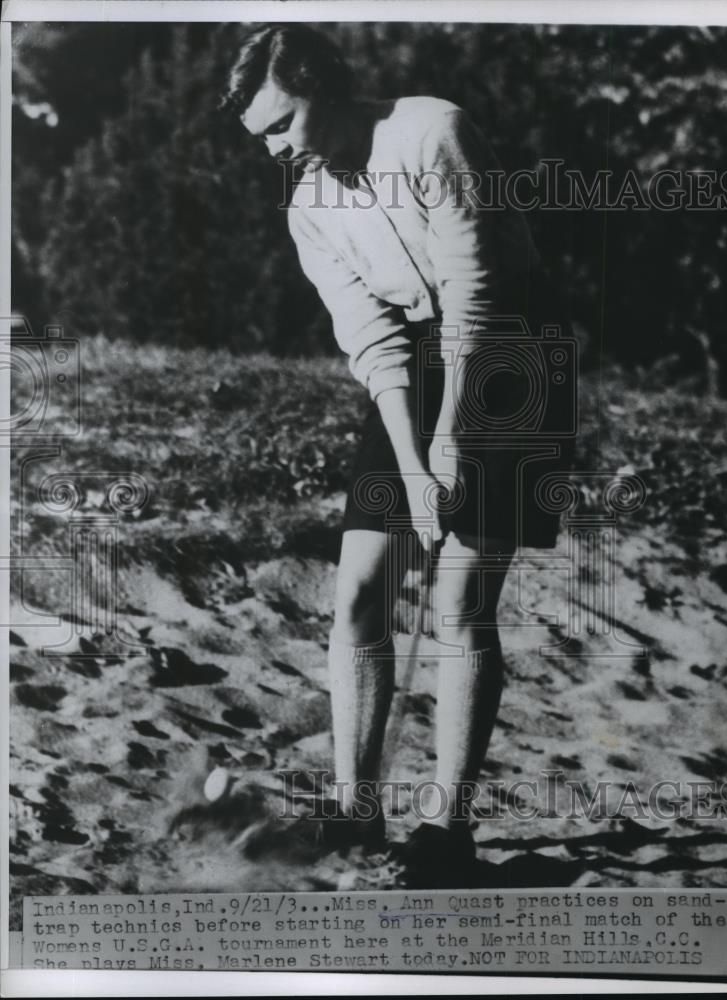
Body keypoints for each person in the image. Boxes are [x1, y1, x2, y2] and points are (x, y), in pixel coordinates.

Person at [220, 23, 571, 887]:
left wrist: (453, 439)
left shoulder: (430, 131)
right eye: (258, 134)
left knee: (458, 602)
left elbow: (475, 294)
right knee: (358, 597)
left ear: (323, 88)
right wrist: (415, 468)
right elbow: (374, 344)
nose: (273, 149)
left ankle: (446, 830)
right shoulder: (307, 204)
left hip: (511, 350)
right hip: (412, 364)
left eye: (282, 123)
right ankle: (354, 807)